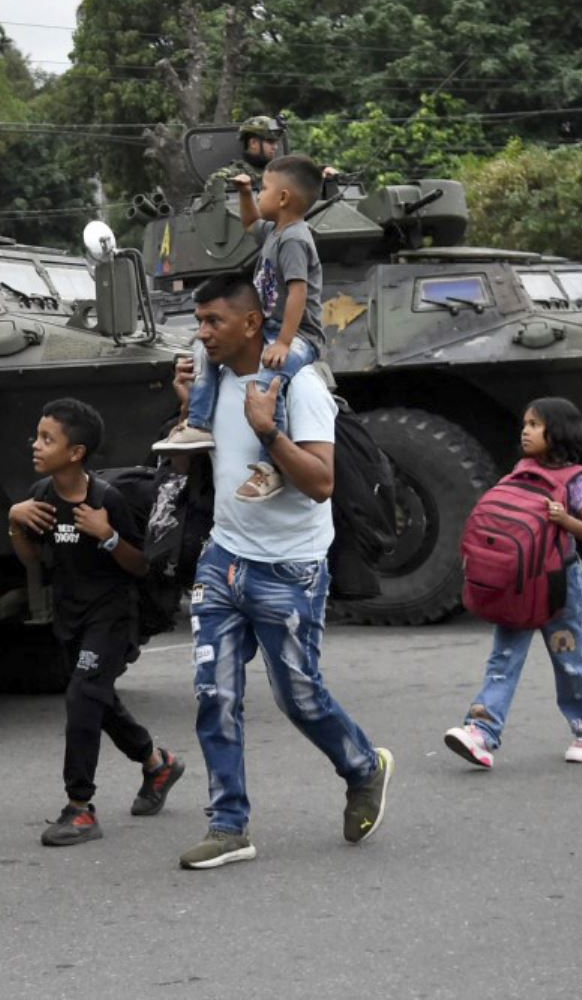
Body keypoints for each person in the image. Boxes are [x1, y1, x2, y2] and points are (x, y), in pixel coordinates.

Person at [171, 273, 392, 870]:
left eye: (213, 321)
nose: (202, 333)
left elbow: (321, 483)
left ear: (251, 323)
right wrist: (185, 406)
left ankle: (364, 766)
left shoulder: (298, 386)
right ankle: (228, 825)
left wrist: (268, 427)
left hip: (290, 568)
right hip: (224, 559)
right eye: (199, 321)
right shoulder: (213, 383)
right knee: (214, 694)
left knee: (299, 697)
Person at [7, 398, 185, 848]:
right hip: (69, 615)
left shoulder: (108, 500)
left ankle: (80, 807)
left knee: (83, 697)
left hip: (110, 615)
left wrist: (107, 536)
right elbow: (34, 559)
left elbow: (141, 565)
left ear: (76, 452)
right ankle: (157, 762)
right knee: (97, 698)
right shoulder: (40, 496)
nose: (36, 445)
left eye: (48, 439)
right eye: (38, 435)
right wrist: (15, 523)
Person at [443, 399, 582, 768]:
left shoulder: (577, 478)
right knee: (503, 657)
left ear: (558, 431)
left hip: (559, 584)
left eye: (535, 424)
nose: (526, 431)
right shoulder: (522, 471)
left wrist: (565, 519)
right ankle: (481, 732)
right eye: (525, 423)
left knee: (570, 657)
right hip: (518, 581)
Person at [156, 155, 329, 505]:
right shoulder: (275, 232)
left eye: (264, 188)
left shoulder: (295, 239)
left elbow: (299, 292)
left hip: (300, 335)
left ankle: (269, 468)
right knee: (203, 351)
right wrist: (246, 193)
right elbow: (250, 223)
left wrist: (282, 342)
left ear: (282, 198)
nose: (259, 194)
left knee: (270, 376)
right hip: (272, 327)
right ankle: (198, 426)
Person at [201, 114, 283, 199]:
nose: (275, 147)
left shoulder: (279, 174)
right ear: (253, 143)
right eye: (270, 142)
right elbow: (215, 190)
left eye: (276, 143)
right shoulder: (230, 176)